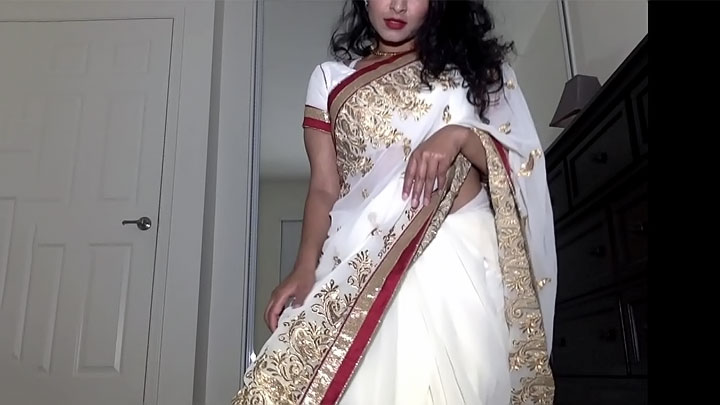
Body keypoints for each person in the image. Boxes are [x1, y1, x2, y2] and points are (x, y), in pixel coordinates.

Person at [233, 0, 557, 403]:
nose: (398, 5)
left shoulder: (470, 70)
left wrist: (459, 136)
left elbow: (520, 162)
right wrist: (304, 266)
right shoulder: (331, 80)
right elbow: (324, 188)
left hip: (459, 258)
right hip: (358, 257)